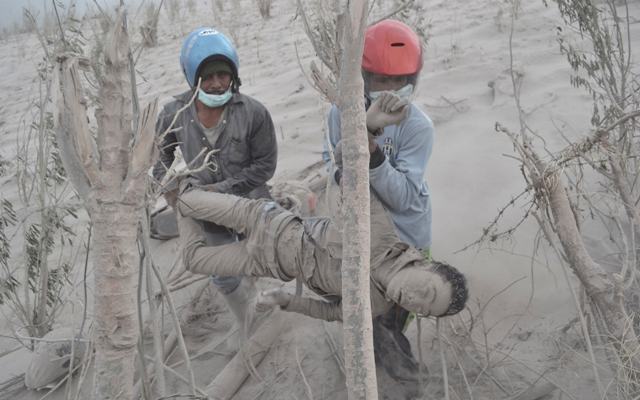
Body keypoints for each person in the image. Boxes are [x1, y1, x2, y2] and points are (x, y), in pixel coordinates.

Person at [174, 187, 468, 323]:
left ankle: (187, 198)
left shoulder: (375, 305)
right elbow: (347, 176)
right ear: (426, 264)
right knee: (184, 201)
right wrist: (370, 130)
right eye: (426, 291)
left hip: (263, 262)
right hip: (264, 219)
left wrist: (287, 300)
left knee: (193, 260)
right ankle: (183, 188)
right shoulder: (380, 233)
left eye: (423, 310)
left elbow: (331, 313)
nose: (415, 301)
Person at [152, 27, 278, 339]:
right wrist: (168, 186)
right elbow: (159, 158)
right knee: (223, 275)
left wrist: (221, 190)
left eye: (223, 74)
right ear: (192, 78)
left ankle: (270, 305)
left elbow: (264, 166)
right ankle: (249, 325)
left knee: (268, 256)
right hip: (207, 213)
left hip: (250, 201)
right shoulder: (174, 113)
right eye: (207, 76)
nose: (217, 83)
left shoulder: (253, 112)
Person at [323, 19, 433, 332]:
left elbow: (403, 198)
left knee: (393, 325)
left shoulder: (417, 126)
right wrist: (359, 136)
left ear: (412, 78)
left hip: (406, 242)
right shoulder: (340, 113)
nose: (390, 91)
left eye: (399, 81)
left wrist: (371, 154)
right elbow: (334, 169)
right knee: (366, 322)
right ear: (364, 78)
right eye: (381, 81)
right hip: (362, 237)